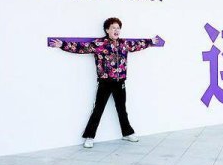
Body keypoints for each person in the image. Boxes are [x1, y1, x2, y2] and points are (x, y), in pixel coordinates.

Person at [50, 17, 157, 149]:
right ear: (107, 30)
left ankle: (127, 133)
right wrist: (62, 45)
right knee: (98, 109)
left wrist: (151, 42)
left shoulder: (124, 43)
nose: (116, 30)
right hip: (105, 82)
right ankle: (89, 137)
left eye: (118, 28)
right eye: (113, 28)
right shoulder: (99, 44)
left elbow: (138, 45)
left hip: (120, 82)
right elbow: (81, 48)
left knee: (122, 109)